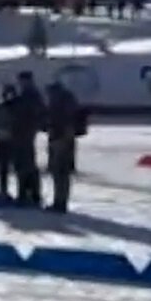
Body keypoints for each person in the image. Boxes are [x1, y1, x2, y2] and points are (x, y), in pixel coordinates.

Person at [44, 79, 87, 214]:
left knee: (60, 172)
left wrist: (58, 136)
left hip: (61, 139)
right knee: (61, 173)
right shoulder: (66, 100)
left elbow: (63, 122)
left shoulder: (61, 103)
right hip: (62, 139)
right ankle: (60, 201)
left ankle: (60, 202)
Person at [7, 71, 46, 208]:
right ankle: (27, 193)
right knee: (23, 163)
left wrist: (14, 101)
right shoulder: (27, 95)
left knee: (26, 164)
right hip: (22, 132)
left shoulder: (31, 95)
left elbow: (25, 111)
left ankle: (29, 194)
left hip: (25, 132)